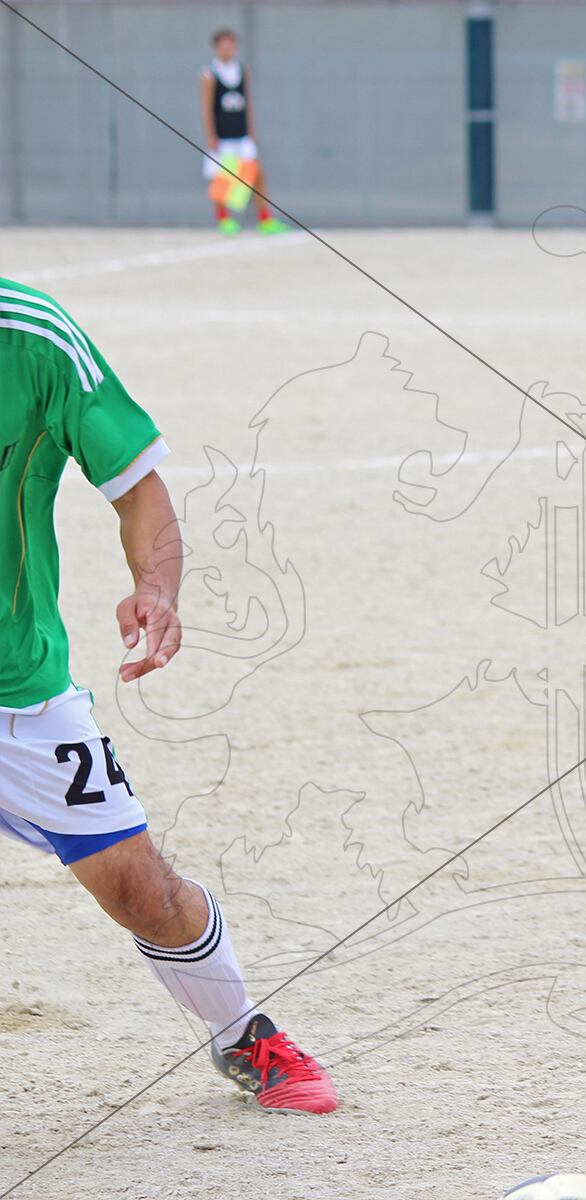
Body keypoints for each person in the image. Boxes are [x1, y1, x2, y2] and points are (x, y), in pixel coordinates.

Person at [0, 277, 335, 1113]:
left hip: (18, 689)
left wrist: (156, 586)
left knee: (140, 890)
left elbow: (137, 486)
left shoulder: (36, 338)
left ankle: (243, 1033)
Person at [199, 28, 285, 235]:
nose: (228, 49)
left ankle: (265, 219)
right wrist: (211, 136)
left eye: (231, 45)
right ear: (216, 48)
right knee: (221, 179)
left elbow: (247, 103)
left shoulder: (241, 70)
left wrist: (251, 130)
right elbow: (207, 107)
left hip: (241, 135)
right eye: (224, 46)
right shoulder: (209, 73)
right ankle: (224, 220)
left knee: (256, 174)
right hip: (222, 137)